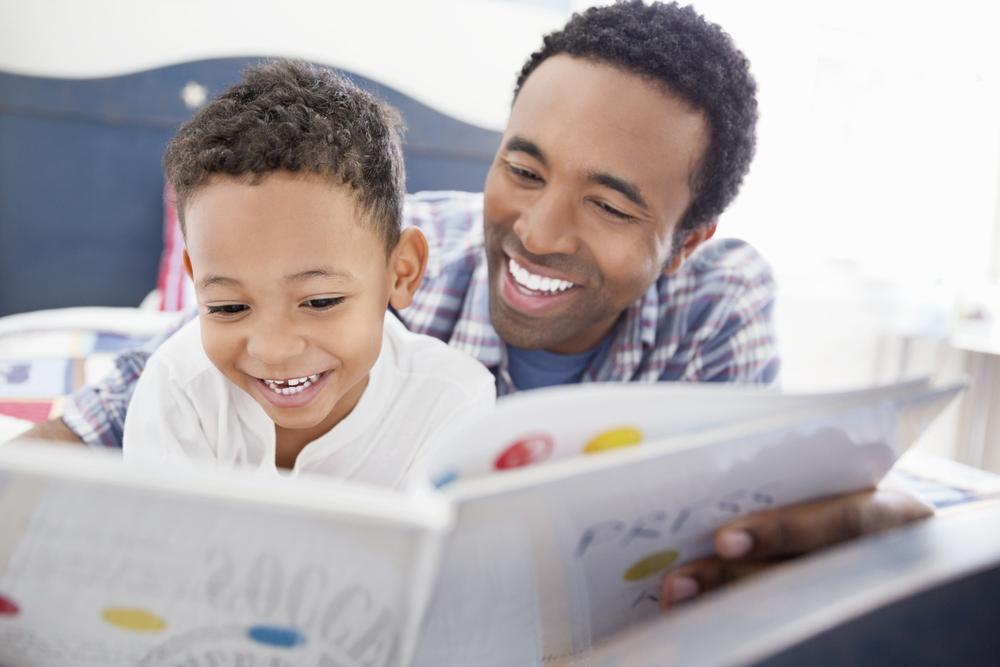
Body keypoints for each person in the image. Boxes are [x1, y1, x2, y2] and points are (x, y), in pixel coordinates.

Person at [19, 0, 932, 608]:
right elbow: (134, 396)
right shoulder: (384, 249)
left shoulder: (718, 304)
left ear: (687, 238)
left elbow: (764, 505)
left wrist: (846, 524)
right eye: (522, 167)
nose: (537, 230)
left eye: (611, 204)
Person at [121, 60, 495, 486]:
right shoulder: (178, 389)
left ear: (402, 272)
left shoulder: (452, 404)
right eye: (229, 307)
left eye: (320, 301)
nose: (274, 350)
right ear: (194, 281)